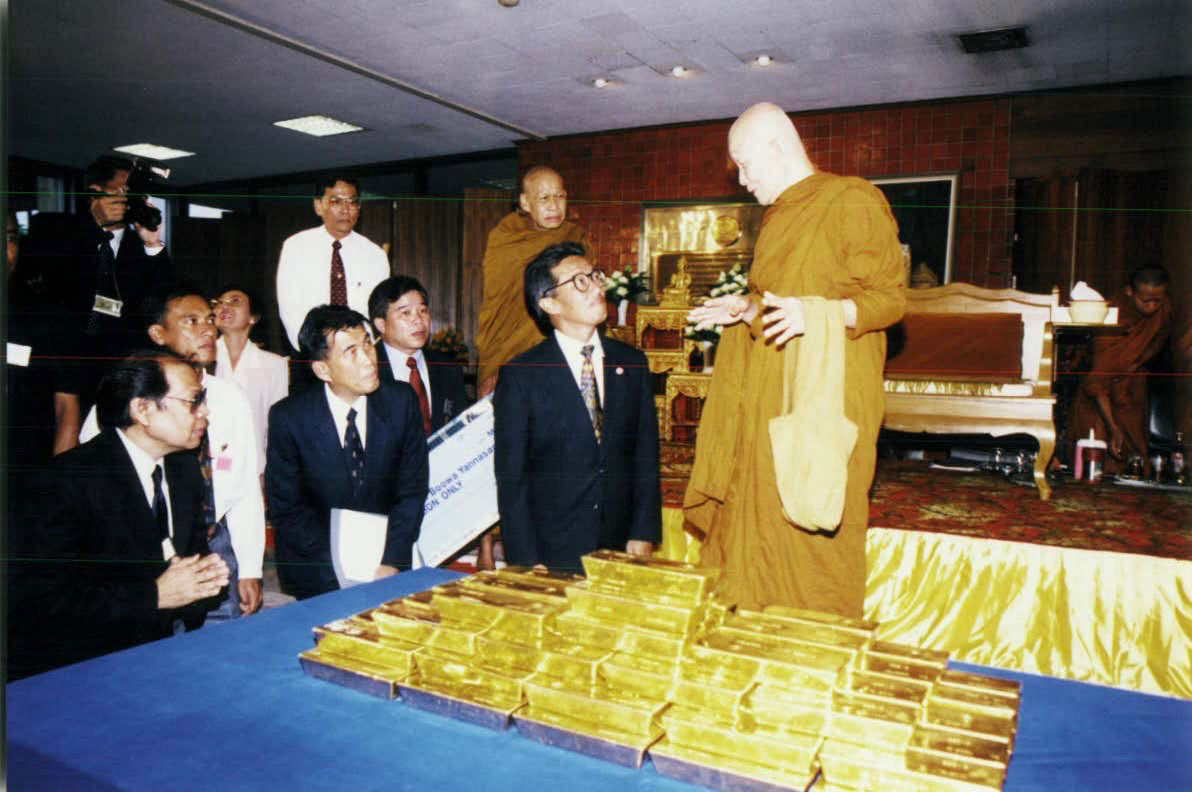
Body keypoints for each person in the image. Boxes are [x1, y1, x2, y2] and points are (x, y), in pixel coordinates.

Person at [684, 102, 906, 618]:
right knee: (758, 508)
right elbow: (780, 306)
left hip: (824, 399)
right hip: (768, 397)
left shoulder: (851, 199)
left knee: (811, 517)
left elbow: (890, 300)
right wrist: (747, 309)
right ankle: (751, 629)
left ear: (778, 146)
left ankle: (815, 640)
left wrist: (819, 314)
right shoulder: (779, 215)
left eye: (745, 165)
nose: (742, 181)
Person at [8, 352, 230, 679]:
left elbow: (186, 560)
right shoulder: (65, 483)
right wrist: (154, 596)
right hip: (80, 669)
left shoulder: (183, 469)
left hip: (158, 654)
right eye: (193, 401)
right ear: (142, 409)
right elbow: (40, 602)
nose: (205, 411)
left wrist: (202, 580)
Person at [80, 287, 265, 618]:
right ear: (158, 333)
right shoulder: (124, 397)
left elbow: (245, 488)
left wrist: (251, 567)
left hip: (213, 542)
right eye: (191, 321)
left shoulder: (230, 398)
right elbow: (88, 484)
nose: (208, 330)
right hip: (141, 548)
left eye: (209, 320)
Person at [494, 242, 661, 574]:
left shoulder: (631, 363)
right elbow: (512, 478)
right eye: (579, 282)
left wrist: (643, 531)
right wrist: (525, 560)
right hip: (552, 550)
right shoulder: (521, 375)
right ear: (549, 302)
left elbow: (645, 454)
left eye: (595, 276)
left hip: (620, 544)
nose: (596, 288)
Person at [266, 305, 429, 600]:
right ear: (322, 369)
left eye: (367, 343)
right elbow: (288, 510)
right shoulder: (289, 418)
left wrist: (390, 561)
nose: (368, 359)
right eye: (351, 352)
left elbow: (412, 491)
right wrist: (348, 567)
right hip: (319, 572)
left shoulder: (401, 402)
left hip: (388, 566)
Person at [24, 156, 174, 431]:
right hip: (63, 375)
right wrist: (94, 225)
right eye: (123, 191)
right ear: (95, 192)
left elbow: (162, 304)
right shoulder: (58, 232)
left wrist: (153, 246)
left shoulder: (139, 248)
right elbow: (46, 283)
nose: (128, 200)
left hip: (119, 379)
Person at [475, 166, 588, 397]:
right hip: (506, 349)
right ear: (525, 202)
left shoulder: (576, 238)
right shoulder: (506, 238)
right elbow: (496, 305)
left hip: (561, 350)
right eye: (544, 198)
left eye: (560, 197)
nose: (554, 206)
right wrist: (497, 364)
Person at [1069, 265, 1172, 473]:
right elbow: (1097, 381)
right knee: (1097, 458)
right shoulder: (1110, 318)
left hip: (1131, 389)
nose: (1152, 307)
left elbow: (1159, 339)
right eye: (1145, 301)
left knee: (1134, 457)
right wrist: (1113, 427)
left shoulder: (1164, 308)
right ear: (1129, 292)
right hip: (1098, 399)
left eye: (1157, 301)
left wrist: (1136, 362)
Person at [276, 175, 390, 353]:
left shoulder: (375, 255)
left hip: (359, 352)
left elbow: (378, 311)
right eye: (336, 201)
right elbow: (289, 307)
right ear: (318, 206)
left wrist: (359, 348)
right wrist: (314, 349)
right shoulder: (296, 247)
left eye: (352, 202)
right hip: (310, 350)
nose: (345, 210)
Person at [6, 211, 80, 470]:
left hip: (25, 473)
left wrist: (60, 481)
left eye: (10, 238)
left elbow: (67, 406)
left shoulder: (47, 316)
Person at [369, 275, 469, 435]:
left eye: (423, 311)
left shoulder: (448, 367)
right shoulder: (367, 368)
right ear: (381, 324)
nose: (418, 320)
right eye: (406, 313)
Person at [213, 284, 289, 478]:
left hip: (254, 468)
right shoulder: (202, 358)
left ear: (253, 317)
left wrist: (267, 473)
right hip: (207, 468)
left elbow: (275, 428)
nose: (224, 307)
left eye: (234, 301)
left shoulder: (274, 365)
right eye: (219, 303)